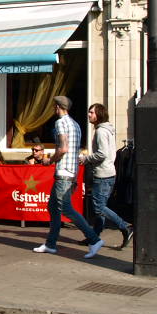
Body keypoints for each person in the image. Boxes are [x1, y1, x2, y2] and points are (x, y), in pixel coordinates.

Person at [32, 96, 103, 258]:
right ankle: (50, 244)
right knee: (53, 207)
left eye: (54, 107)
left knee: (65, 208)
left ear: (58, 107)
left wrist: (49, 160)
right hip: (71, 172)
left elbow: (63, 148)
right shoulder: (76, 125)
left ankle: (94, 239)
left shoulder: (60, 123)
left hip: (64, 172)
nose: (53, 109)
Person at [81, 103, 133, 248]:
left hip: (103, 174)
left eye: (92, 112)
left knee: (98, 207)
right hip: (109, 173)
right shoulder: (107, 130)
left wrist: (86, 159)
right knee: (101, 208)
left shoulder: (101, 132)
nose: (89, 114)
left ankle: (125, 226)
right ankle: (94, 237)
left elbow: (102, 154)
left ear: (99, 114)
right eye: (89, 112)